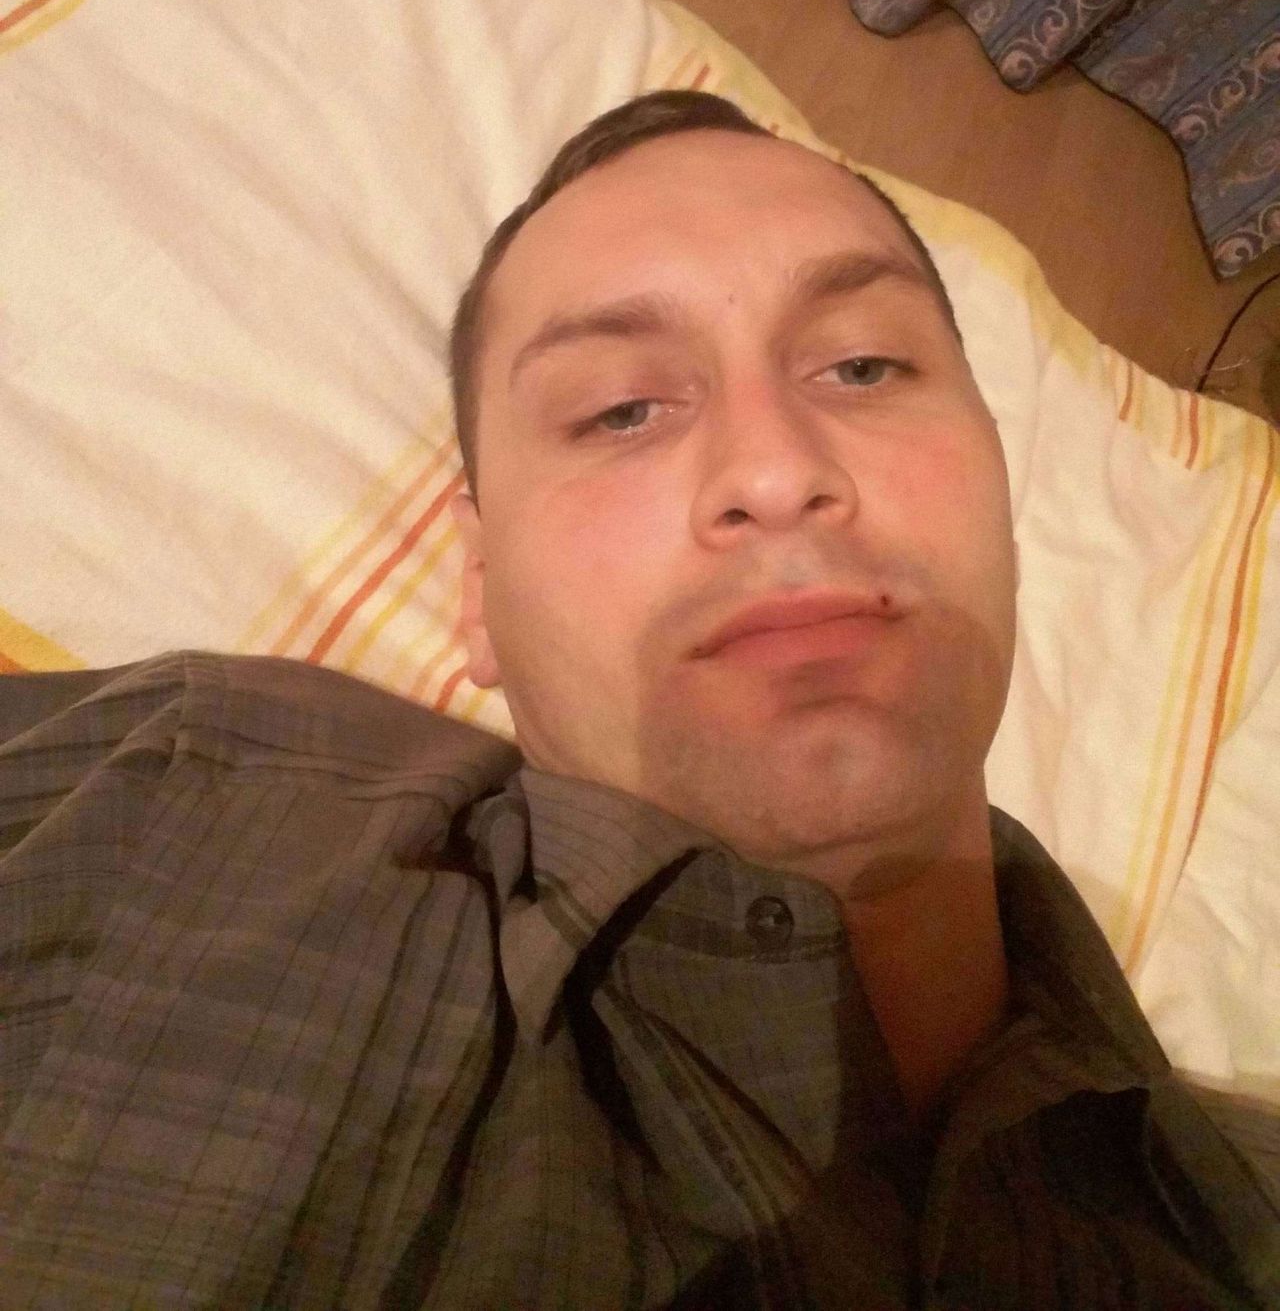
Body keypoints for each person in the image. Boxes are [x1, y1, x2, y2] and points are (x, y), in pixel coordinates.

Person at [0, 91, 1276, 1309]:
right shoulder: (180, 807)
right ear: (478, 586)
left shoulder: (1244, 1214)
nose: (773, 471)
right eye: (620, 411)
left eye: (862, 367)